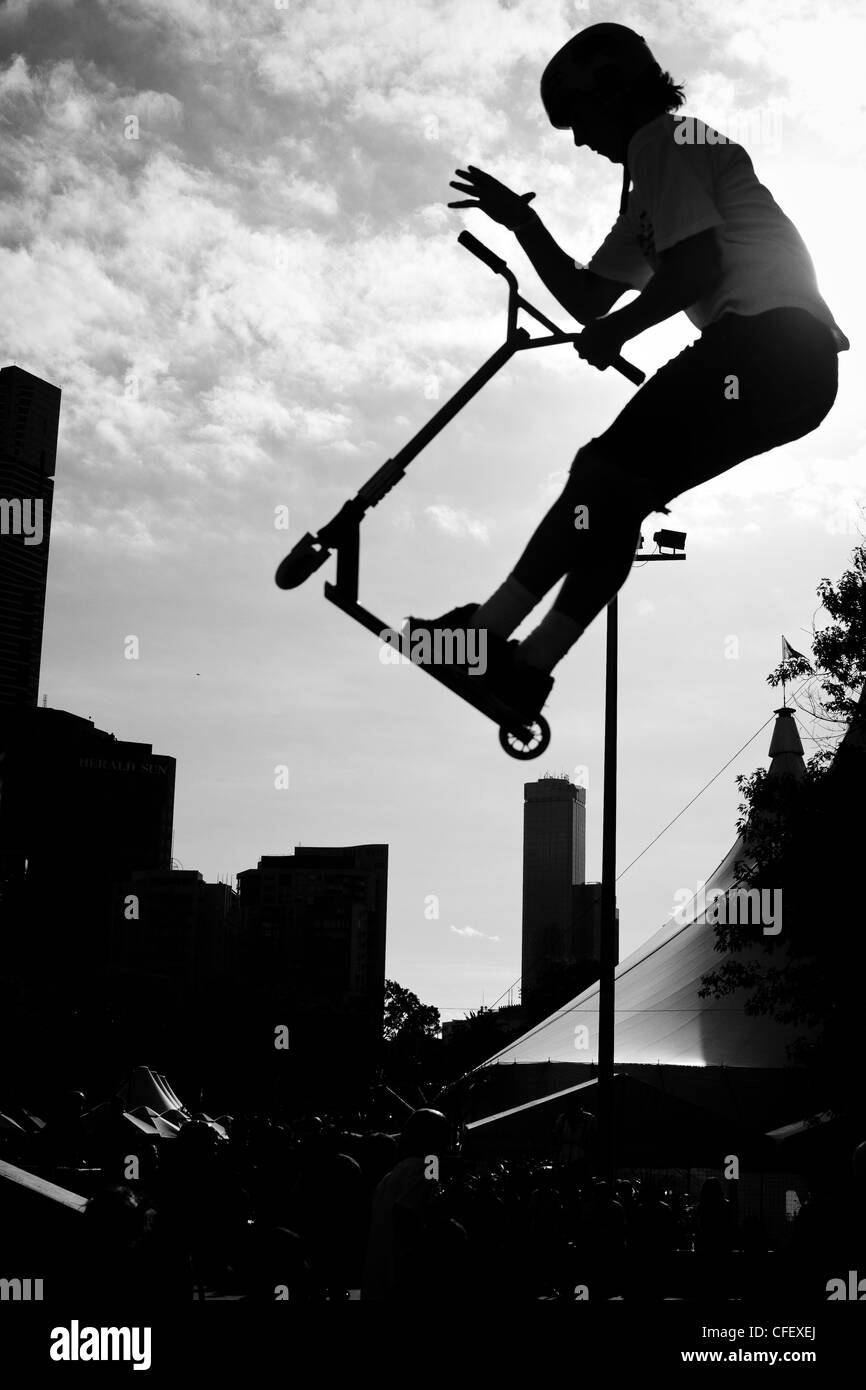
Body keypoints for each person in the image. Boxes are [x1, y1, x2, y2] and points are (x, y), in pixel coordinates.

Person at [409, 22, 848, 719]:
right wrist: (524, 226)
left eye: (579, 118)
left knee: (601, 474)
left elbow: (695, 269)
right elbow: (588, 297)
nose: (581, 140)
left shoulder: (665, 143)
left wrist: (621, 329)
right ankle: (525, 670)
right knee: (618, 501)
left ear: (611, 92)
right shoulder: (652, 188)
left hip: (767, 342)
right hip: (796, 374)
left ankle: (482, 637)